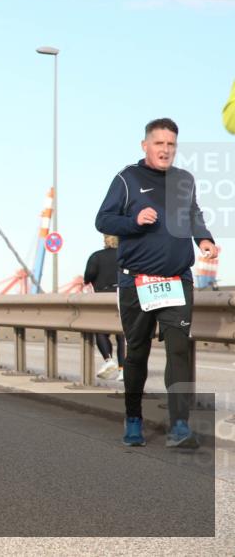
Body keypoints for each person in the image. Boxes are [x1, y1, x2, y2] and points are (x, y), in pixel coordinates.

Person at [95, 117, 218, 449]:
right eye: (159, 143)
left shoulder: (184, 180)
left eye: (171, 144)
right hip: (138, 282)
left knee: (178, 351)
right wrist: (133, 220)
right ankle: (133, 418)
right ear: (145, 145)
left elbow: (193, 214)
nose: (165, 150)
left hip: (178, 279)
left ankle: (179, 424)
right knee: (137, 352)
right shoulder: (127, 179)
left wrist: (203, 240)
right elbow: (102, 219)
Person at [84, 235, 124, 380]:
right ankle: (123, 370)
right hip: (124, 295)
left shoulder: (96, 256)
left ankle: (108, 360)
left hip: (103, 298)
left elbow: (88, 276)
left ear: (105, 240)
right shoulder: (127, 255)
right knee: (122, 335)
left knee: (100, 330)